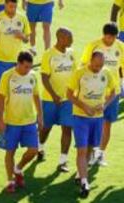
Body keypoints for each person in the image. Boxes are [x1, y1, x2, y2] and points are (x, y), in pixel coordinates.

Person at [67, 52, 116, 198]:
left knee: (89, 148)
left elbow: (113, 92)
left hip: (98, 118)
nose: (98, 68)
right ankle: (84, 182)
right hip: (80, 117)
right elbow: (69, 94)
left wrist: (105, 105)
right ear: (90, 61)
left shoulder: (106, 73)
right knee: (81, 150)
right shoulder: (79, 73)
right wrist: (84, 107)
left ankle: (79, 174)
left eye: (100, 66)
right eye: (95, 65)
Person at [0, 51, 43, 193]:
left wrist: (40, 116)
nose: (28, 70)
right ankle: (10, 181)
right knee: (10, 152)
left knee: (33, 150)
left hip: (29, 121)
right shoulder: (7, 76)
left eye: (30, 67)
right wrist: (0, 119)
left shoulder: (33, 76)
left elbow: (36, 96)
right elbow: (0, 98)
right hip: (11, 122)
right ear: (18, 63)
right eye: (25, 67)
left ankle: (18, 168)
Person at [81, 23, 124, 166]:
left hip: (113, 91)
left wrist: (122, 82)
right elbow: (84, 65)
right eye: (109, 37)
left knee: (107, 124)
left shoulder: (120, 46)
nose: (111, 40)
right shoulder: (93, 46)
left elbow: (122, 66)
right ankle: (91, 152)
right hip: (95, 91)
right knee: (94, 123)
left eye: (114, 37)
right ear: (104, 34)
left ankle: (100, 154)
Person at [37, 28, 76, 172]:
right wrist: (54, 95)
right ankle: (40, 147)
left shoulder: (72, 54)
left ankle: (63, 161)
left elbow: (76, 74)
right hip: (49, 100)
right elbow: (44, 77)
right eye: (69, 37)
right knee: (46, 127)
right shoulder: (49, 54)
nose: (72, 40)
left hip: (67, 100)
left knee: (67, 128)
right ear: (60, 38)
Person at [0, 0, 30, 126]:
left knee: (13, 90)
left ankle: (8, 115)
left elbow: (27, 39)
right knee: (0, 90)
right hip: (1, 60)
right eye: (10, 6)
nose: (13, 9)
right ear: (5, 4)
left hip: (17, 61)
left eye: (15, 6)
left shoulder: (22, 18)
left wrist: (22, 36)